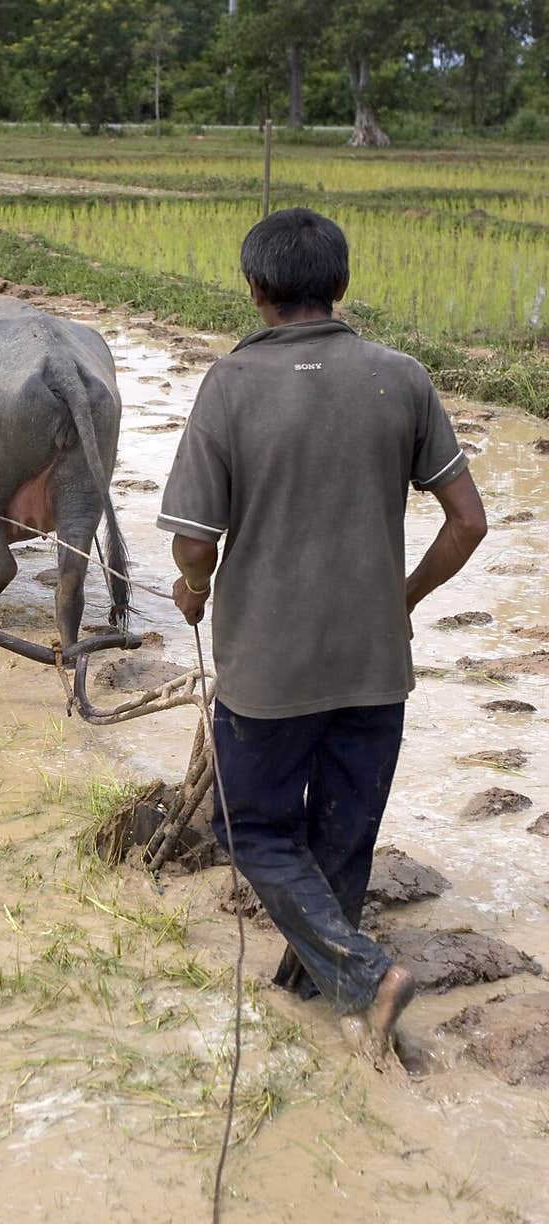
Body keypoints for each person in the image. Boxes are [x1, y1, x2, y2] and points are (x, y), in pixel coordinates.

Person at [157, 207, 487, 1055]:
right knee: (342, 832)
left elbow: (194, 539)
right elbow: (468, 523)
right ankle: (328, 997)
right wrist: (402, 599)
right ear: (340, 287)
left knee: (250, 829)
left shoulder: (228, 386)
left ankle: (365, 979)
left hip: (268, 672)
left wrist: (194, 589)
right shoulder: (402, 378)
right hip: (374, 664)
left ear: (256, 291)